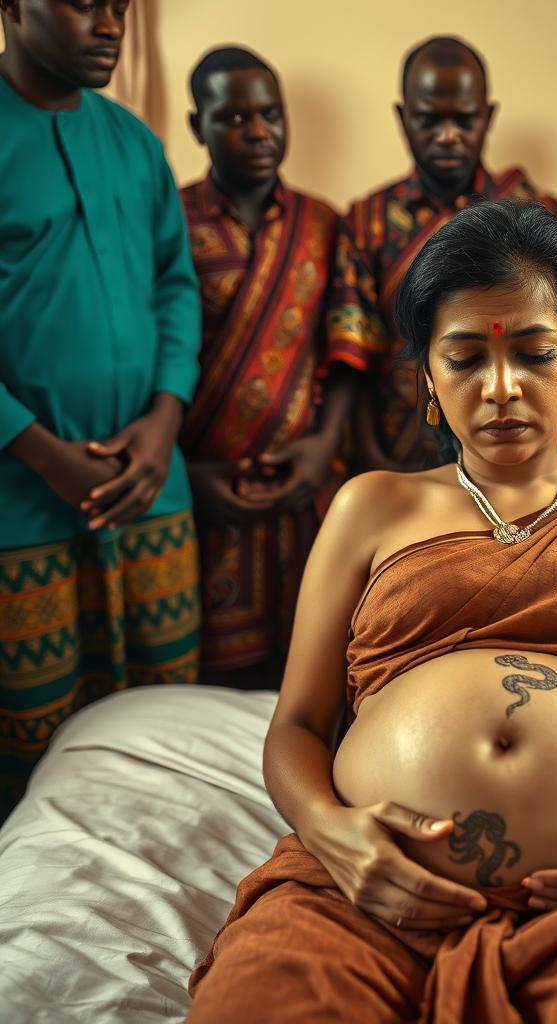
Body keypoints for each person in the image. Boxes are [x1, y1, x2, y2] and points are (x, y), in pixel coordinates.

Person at [187, 201, 557, 1023]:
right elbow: (298, 723)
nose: (500, 387)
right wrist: (329, 832)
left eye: (534, 354)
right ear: (429, 379)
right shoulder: (371, 508)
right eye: (464, 359)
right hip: (369, 892)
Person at [0, 0, 201, 817]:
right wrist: (41, 451)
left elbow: (176, 288)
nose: (110, 23)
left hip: (154, 492)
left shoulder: (136, 143)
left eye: (119, 5)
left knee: (163, 740)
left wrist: (163, 423)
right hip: (22, 510)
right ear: (12, 6)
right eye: (85, 3)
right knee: (35, 762)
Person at [180, 47, 372, 688]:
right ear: (196, 126)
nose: (258, 131)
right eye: (234, 117)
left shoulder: (323, 223)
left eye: (270, 113)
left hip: (303, 485)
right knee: (213, 684)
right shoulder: (172, 221)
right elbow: (157, 348)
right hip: (207, 487)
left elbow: (349, 342)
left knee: (312, 671)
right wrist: (186, 476)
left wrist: (322, 449)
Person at [341, 35, 557, 472]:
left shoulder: (531, 210)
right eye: (429, 119)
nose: (447, 136)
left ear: (488, 117)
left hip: (513, 449)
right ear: (403, 118)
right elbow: (354, 351)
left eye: (464, 120)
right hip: (401, 454)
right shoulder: (368, 220)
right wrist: (372, 461)